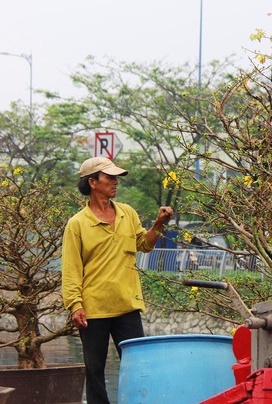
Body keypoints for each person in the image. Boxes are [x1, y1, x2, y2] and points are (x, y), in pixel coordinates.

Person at [61, 157, 173, 404]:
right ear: (92, 182)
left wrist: (158, 224)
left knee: (138, 367)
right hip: (93, 310)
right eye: (109, 177)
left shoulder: (127, 213)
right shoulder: (77, 224)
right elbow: (70, 269)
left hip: (127, 305)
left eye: (115, 178)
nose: (115, 182)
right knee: (95, 370)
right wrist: (75, 304)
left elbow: (144, 245)